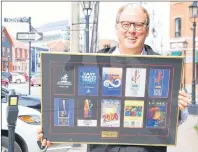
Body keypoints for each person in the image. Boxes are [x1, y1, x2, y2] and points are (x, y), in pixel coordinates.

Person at [37, 4, 191, 152]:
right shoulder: (92, 62)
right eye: (126, 24)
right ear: (117, 27)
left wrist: (178, 108)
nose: (131, 30)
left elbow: (175, 120)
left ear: (147, 30)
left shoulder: (166, 67)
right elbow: (75, 101)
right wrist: (53, 130)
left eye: (138, 25)